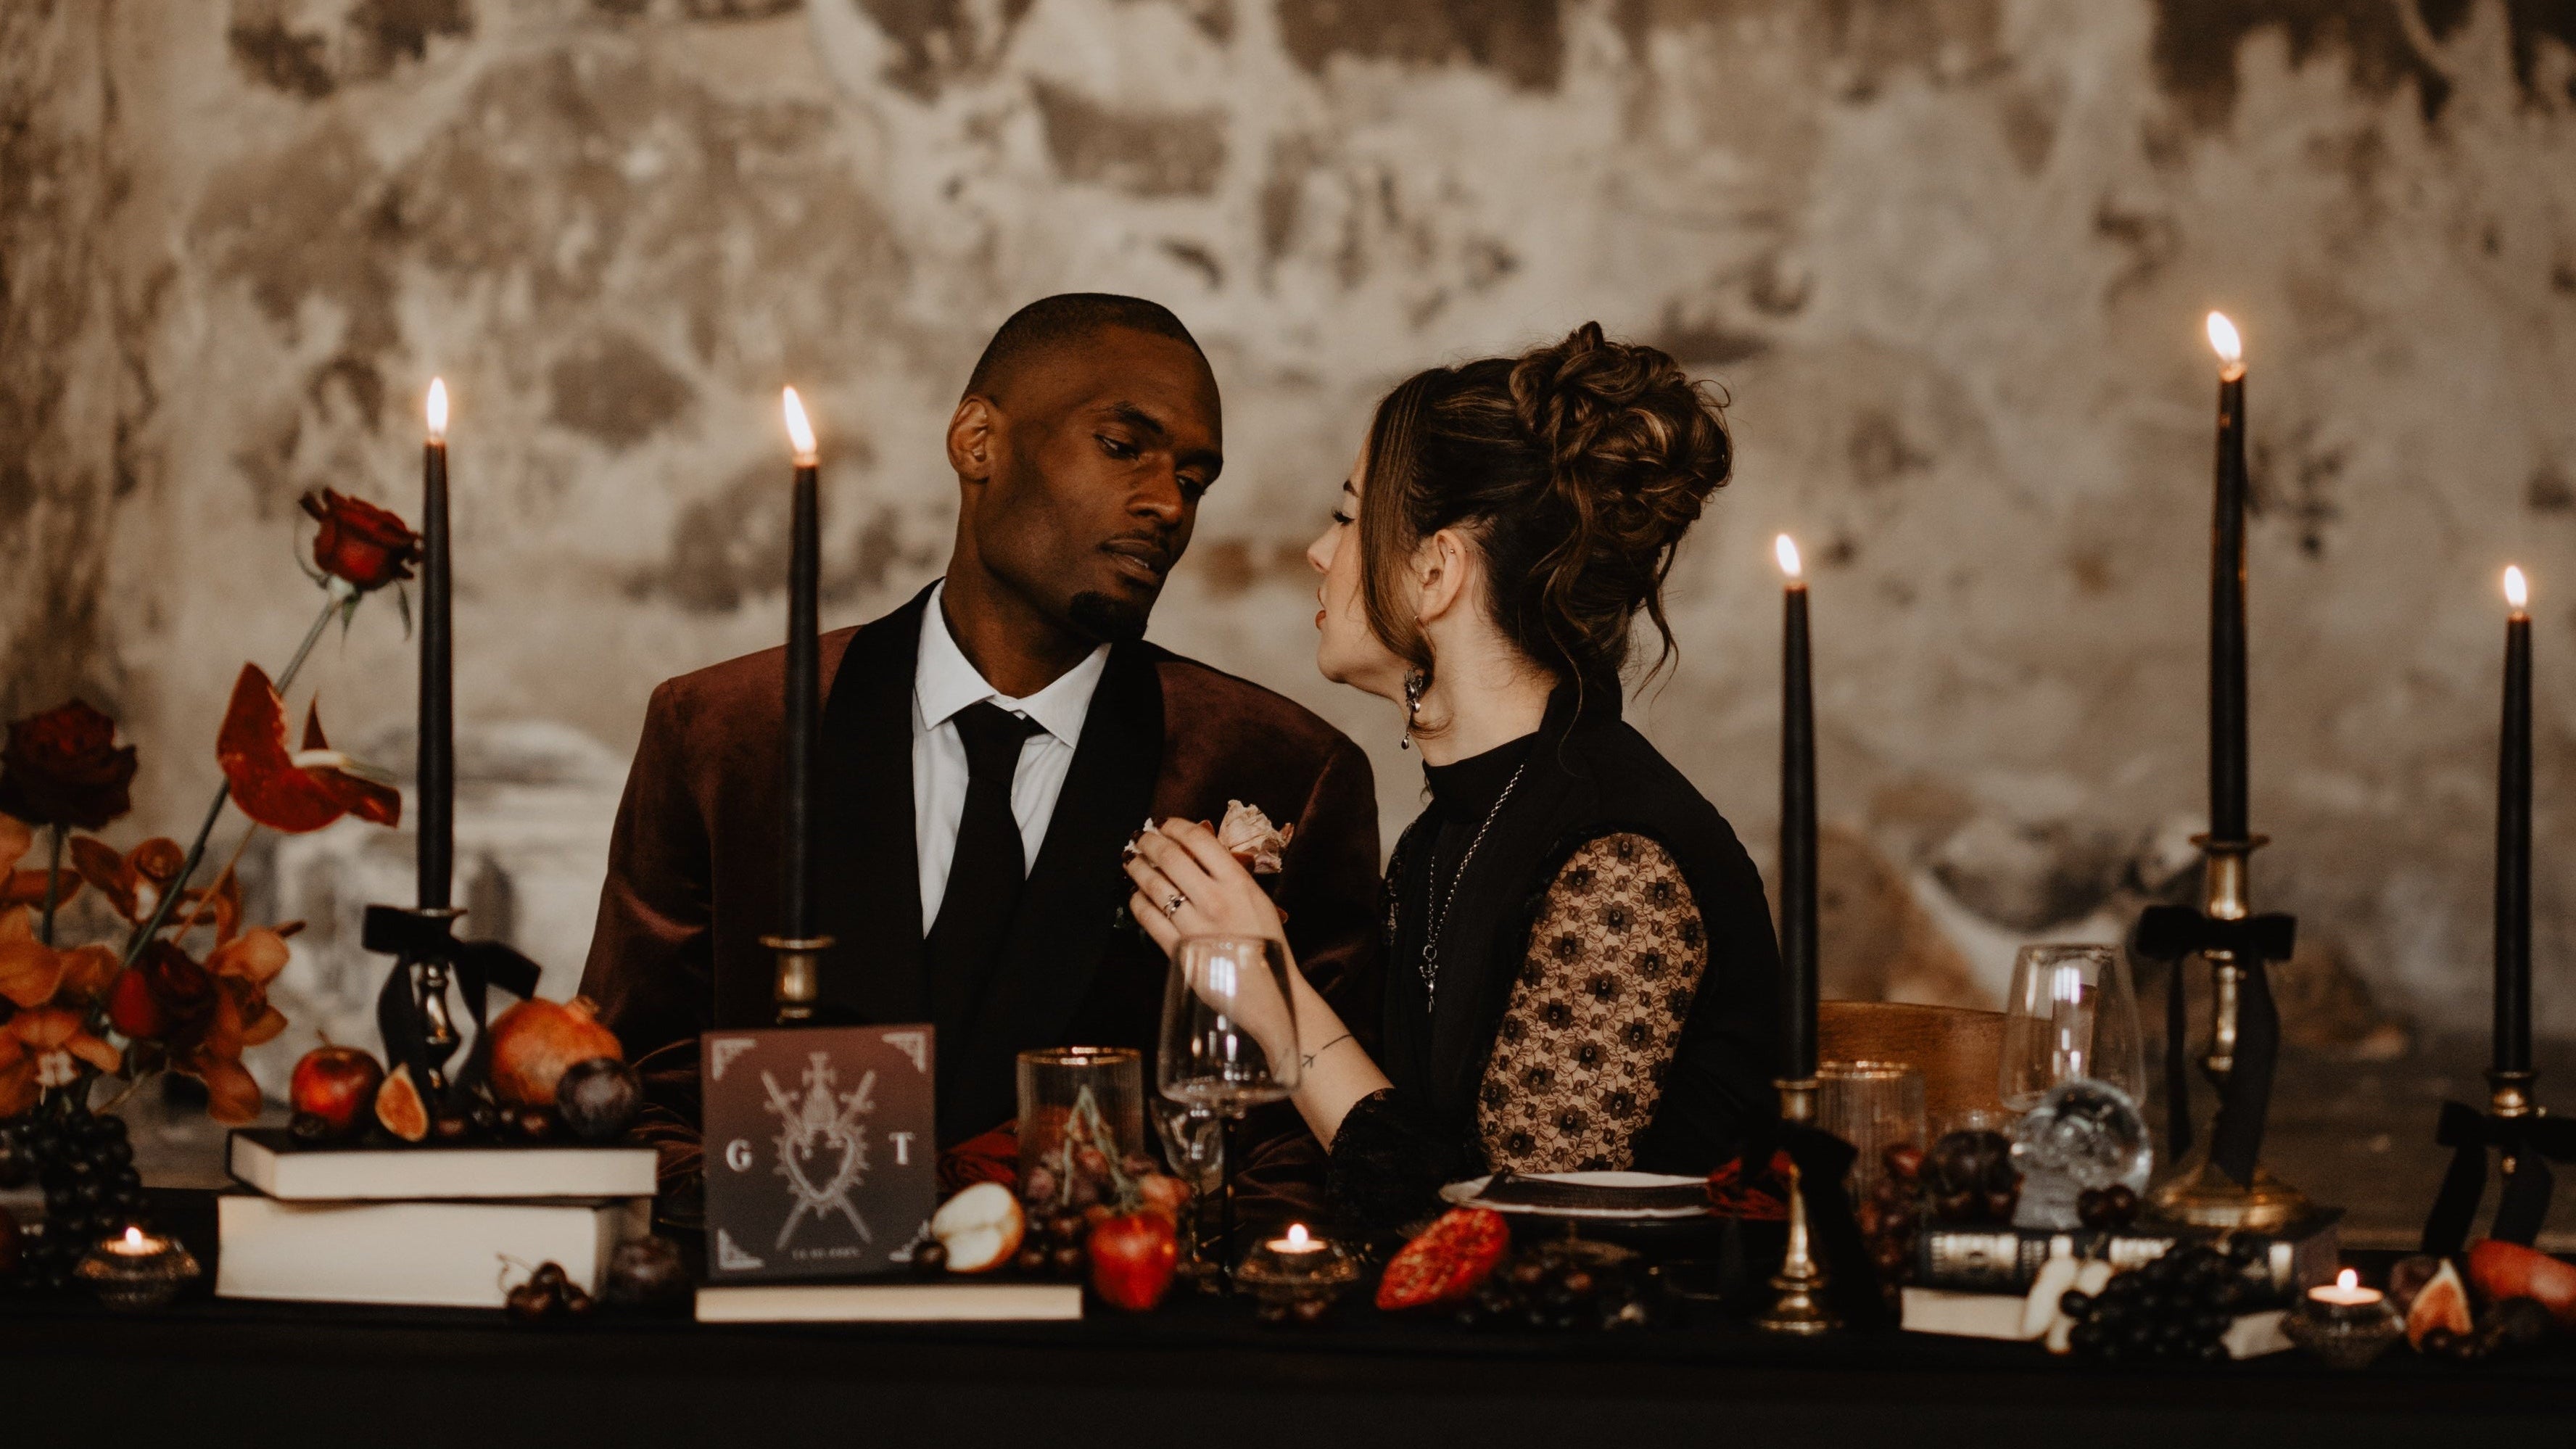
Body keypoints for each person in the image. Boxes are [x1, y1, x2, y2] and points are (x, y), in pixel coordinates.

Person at [580, 295, 1383, 1203]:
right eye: (1123, 446)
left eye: (1194, 482)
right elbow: (635, 1091)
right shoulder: (723, 734)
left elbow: (1299, 1158)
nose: (1167, 504)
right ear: (976, 442)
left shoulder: (1281, 769)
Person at [1123, 322, 1782, 1233]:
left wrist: (1267, 987)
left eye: (1348, 518)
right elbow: (1418, 1154)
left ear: (1435, 572)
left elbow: (1516, 1235)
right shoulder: (1443, 837)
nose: (1319, 552)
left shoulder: (1620, 859)